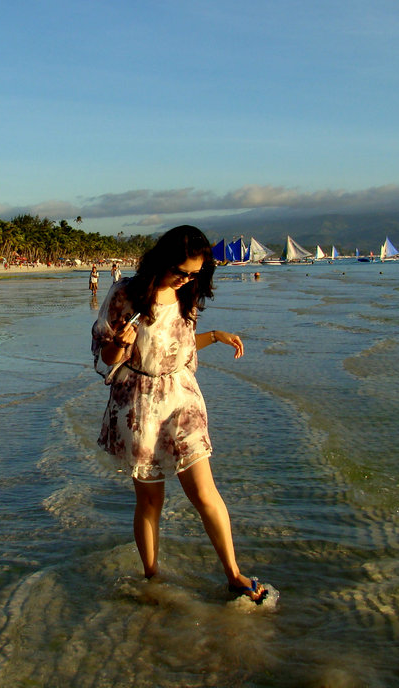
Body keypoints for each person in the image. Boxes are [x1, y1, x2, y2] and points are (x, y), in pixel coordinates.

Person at [91, 225, 267, 603]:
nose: (187, 279)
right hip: (140, 401)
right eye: (182, 271)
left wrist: (215, 335)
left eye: (194, 274)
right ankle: (152, 577)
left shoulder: (187, 294)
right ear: (163, 259)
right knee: (151, 500)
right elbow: (107, 357)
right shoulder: (126, 294)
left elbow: (177, 346)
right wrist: (121, 346)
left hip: (182, 400)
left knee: (204, 492)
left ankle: (233, 574)